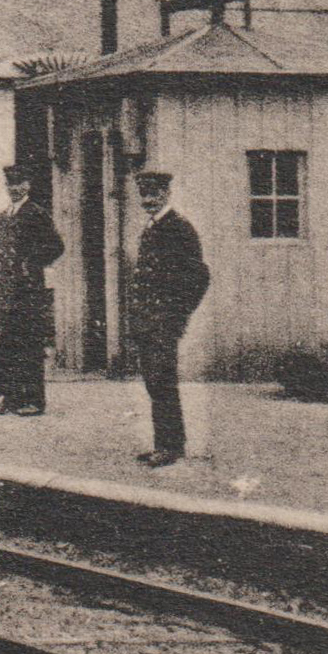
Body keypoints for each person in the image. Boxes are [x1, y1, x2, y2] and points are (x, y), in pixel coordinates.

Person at [129, 171, 212, 467]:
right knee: (154, 381)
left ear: (166, 194)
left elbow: (199, 277)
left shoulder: (178, 228)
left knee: (163, 381)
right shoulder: (152, 227)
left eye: (154, 195)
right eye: (144, 196)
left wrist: (176, 316)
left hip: (162, 322)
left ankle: (171, 445)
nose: (148, 201)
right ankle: (163, 443)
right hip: (147, 321)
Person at [0, 164, 64, 415]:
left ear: (28, 185)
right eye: (10, 184)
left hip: (28, 291)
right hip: (5, 292)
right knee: (7, 344)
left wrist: (30, 263)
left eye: (19, 183)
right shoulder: (2, 217)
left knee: (29, 346)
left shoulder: (36, 214)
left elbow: (55, 246)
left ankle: (33, 400)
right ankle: (10, 399)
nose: (15, 188)